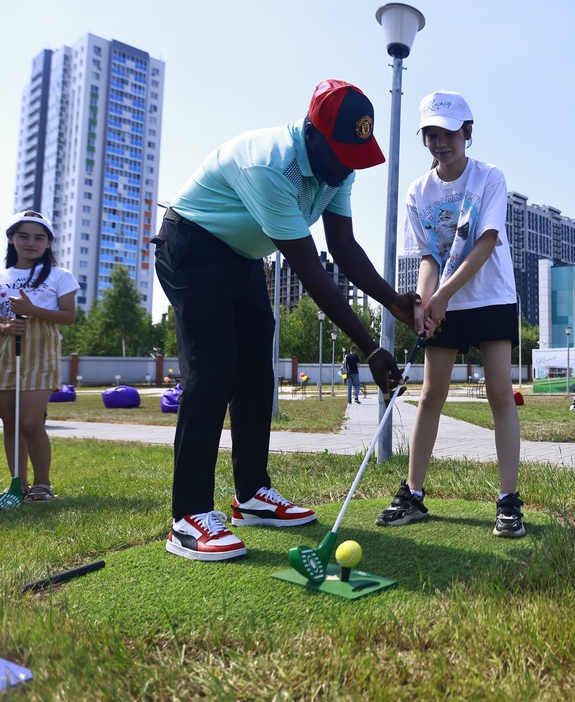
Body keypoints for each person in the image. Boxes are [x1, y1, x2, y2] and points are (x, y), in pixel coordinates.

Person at [154, 79, 418, 561]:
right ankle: (187, 517)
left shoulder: (342, 165)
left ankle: (252, 495)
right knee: (214, 367)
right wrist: (371, 348)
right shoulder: (270, 165)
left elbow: (343, 247)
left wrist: (392, 300)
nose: (346, 168)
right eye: (340, 154)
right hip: (192, 244)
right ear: (312, 134)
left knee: (257, 370)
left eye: (355, 155)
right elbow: (312, 272)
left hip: (241, 257)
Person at [375, 91, 525, 538]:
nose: (440, 142)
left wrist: (442, 295)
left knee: (500, 393)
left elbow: (484, 243)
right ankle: (414, 495)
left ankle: (508, 502)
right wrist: (424, 304)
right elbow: (426, 256)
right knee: (430, 396)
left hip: (491, 295)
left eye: (448, 133)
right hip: (444, 299)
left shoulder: (489, 177)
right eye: (431, 135)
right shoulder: (417, 191)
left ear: (468, 133)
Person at [0, 211, 78, 502]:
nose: (31, 243)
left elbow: (68, 316)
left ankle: (43, 484)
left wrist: (33, 311)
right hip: (4, 348)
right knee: (11, 422)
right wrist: (4, 327)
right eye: (23, 236)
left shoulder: (61, 276)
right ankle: (17, 485)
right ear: (11, 239)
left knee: (31, 422)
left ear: (48, 244)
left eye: (39, 238)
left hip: (41, 348)